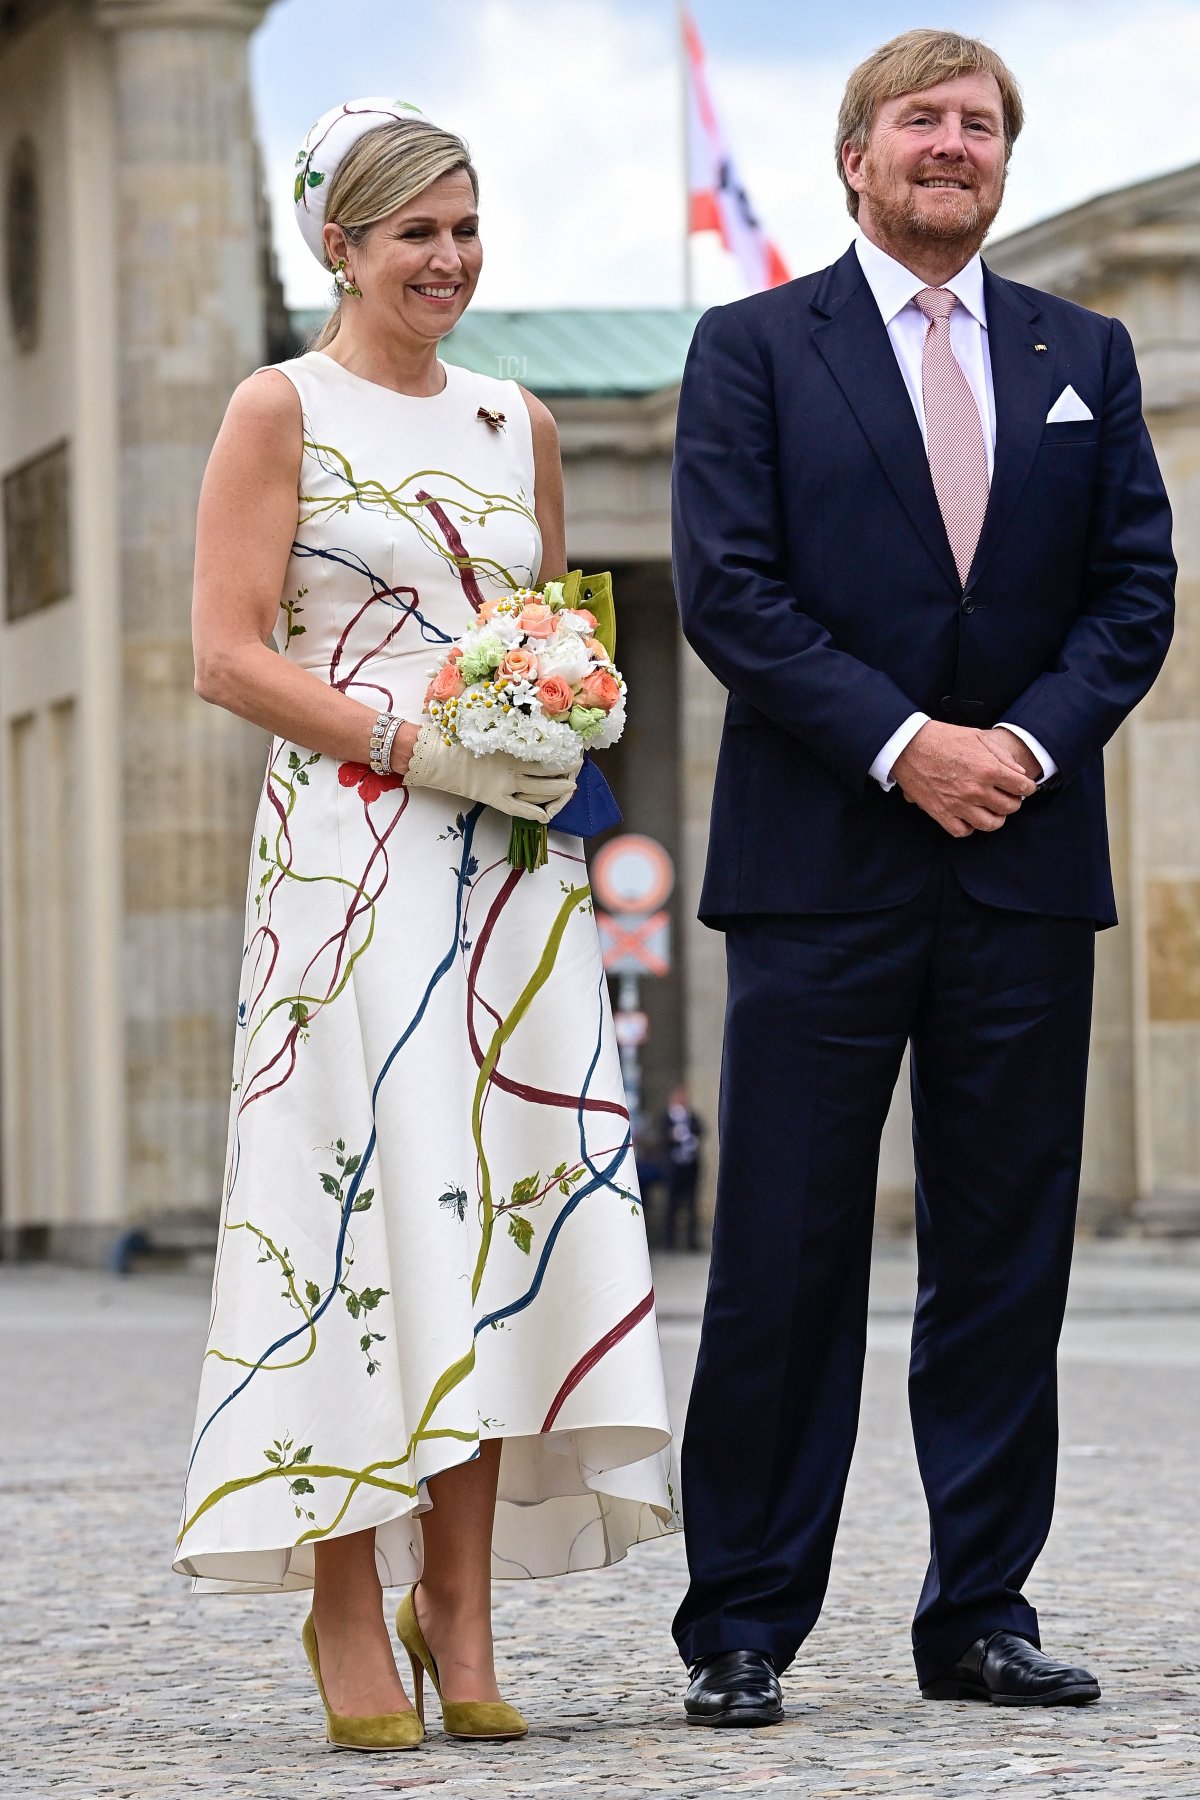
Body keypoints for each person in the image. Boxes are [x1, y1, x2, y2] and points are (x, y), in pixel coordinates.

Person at [670, 30, 1174, 1727]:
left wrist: (1017, 749)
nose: (953, 145)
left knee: (1004, 1259)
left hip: (1024, 870)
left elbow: (1134, 595)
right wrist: (907, 747)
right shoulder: (752, 348)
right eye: (922, 122)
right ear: (856, 158)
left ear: (1002, 163)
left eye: (980, 125)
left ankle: (980, 1612)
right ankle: (741, 1619)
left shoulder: (1081, 351)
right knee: (788, 1259)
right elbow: (729, 593)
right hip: (822, 872)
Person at [174, 97, 677, 1754]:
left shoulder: (514, 417)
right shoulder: (279, 409)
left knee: (498, 1211)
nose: (448, 261)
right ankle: (344, 1598)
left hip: (514, 875)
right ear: (343, 243)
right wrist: (413, 742)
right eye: (416, 235)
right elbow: (227, 654)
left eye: (466, 230)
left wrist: (560, 711)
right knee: (365, 1214)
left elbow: (535, 623)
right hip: (349, 863)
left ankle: (458, 1608)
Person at [662, 1085, 704, 1251]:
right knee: (672, 1204)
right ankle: (669, 1242)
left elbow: (701, 1130)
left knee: (692, 1205)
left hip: (690, 1167)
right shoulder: (667, 1118)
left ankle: (691, 1241)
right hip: (674, 1168)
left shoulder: (691, 1117)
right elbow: (662, 1135)